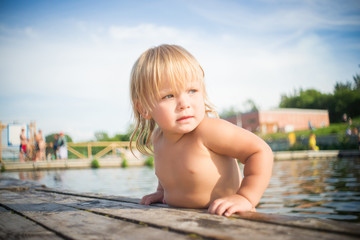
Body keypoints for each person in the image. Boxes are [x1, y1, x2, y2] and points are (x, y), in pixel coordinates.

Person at [130, 44, 273, 217]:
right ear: (144, 108)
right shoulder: (158, 138)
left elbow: (260, 151)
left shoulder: (209, 131)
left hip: (229, 218)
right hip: (184, 221)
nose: (185, 104)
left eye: (192, 91)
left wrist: (245, 197)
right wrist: (162, 191)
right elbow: (167, 170)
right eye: (169, 96)